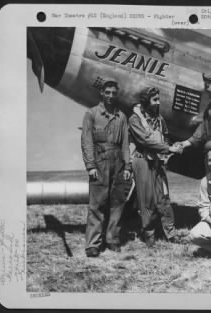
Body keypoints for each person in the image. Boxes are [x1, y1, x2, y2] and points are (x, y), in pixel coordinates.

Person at [81, 79, 131, 257]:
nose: (110, 96)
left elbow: (125, 143)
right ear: (101, 93)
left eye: (113, 93)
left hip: (118, 162)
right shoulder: (91, 114)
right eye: (107, 92)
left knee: (117, 203)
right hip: (100, 162)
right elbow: (86, 141)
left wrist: (127, 166)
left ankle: (112, 239)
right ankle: (93, 244)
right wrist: (90, 165)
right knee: (97, 204)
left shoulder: (122, 117)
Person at [128, 87, 180, 247]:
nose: (158, 103)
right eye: (155, 100)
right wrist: (168, 149)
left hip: (158, 162)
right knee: (147, 200)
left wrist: (170, 148)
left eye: (158, 99)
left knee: (164, 197)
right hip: (142, 161)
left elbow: (165, 135)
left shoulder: (159, 119)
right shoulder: (134, 119)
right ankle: (149, 234)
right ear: (146, 101)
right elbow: (144, 141)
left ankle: (171, 233)